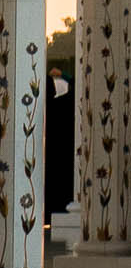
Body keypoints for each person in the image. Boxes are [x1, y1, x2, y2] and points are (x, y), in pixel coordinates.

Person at [44, 65, 72, 220]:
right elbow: (77, 86)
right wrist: (63, 74)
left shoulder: (37, 112)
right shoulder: (64, 107)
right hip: (62, 165)